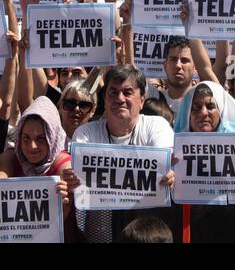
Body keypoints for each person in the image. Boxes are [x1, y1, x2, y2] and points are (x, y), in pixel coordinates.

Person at [63, 65, 176, 243]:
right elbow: (80, 176)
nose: (119, 98)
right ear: (105, 99)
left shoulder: (157, 126)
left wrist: (169, 172)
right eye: (113, 92)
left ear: (142, 99)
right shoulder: (85, 133)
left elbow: (163, 162)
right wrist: (70, 177)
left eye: (127, 92)